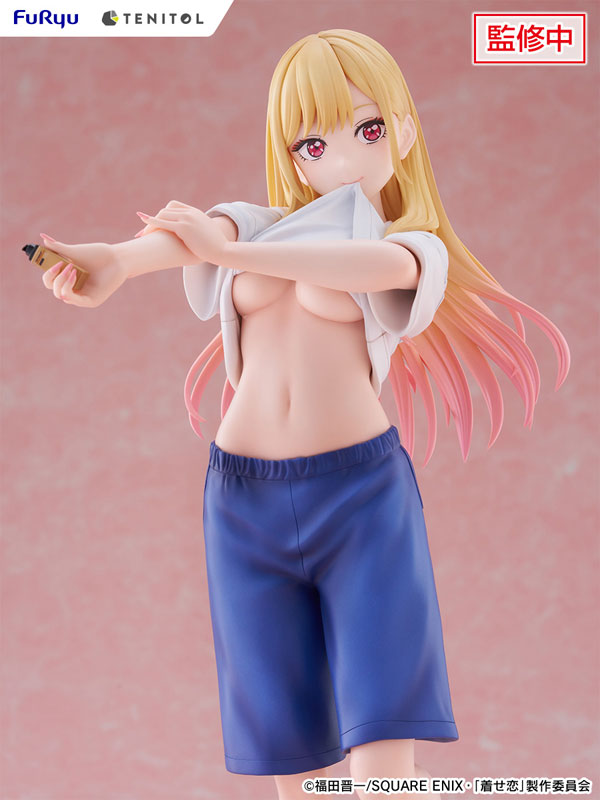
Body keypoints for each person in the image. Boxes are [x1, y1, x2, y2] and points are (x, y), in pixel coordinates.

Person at [39, 29, 570, 800]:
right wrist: (119, 261)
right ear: (292, 157)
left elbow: (356, 266)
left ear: (404, 131)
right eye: (313, 143)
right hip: (243, 502)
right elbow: (192, 239)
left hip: (360, 502)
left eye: (369, 129)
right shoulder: (258, 224)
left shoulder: (412, 248)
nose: (343, 158)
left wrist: (226, 255)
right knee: (281, 729)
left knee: (384, 720)